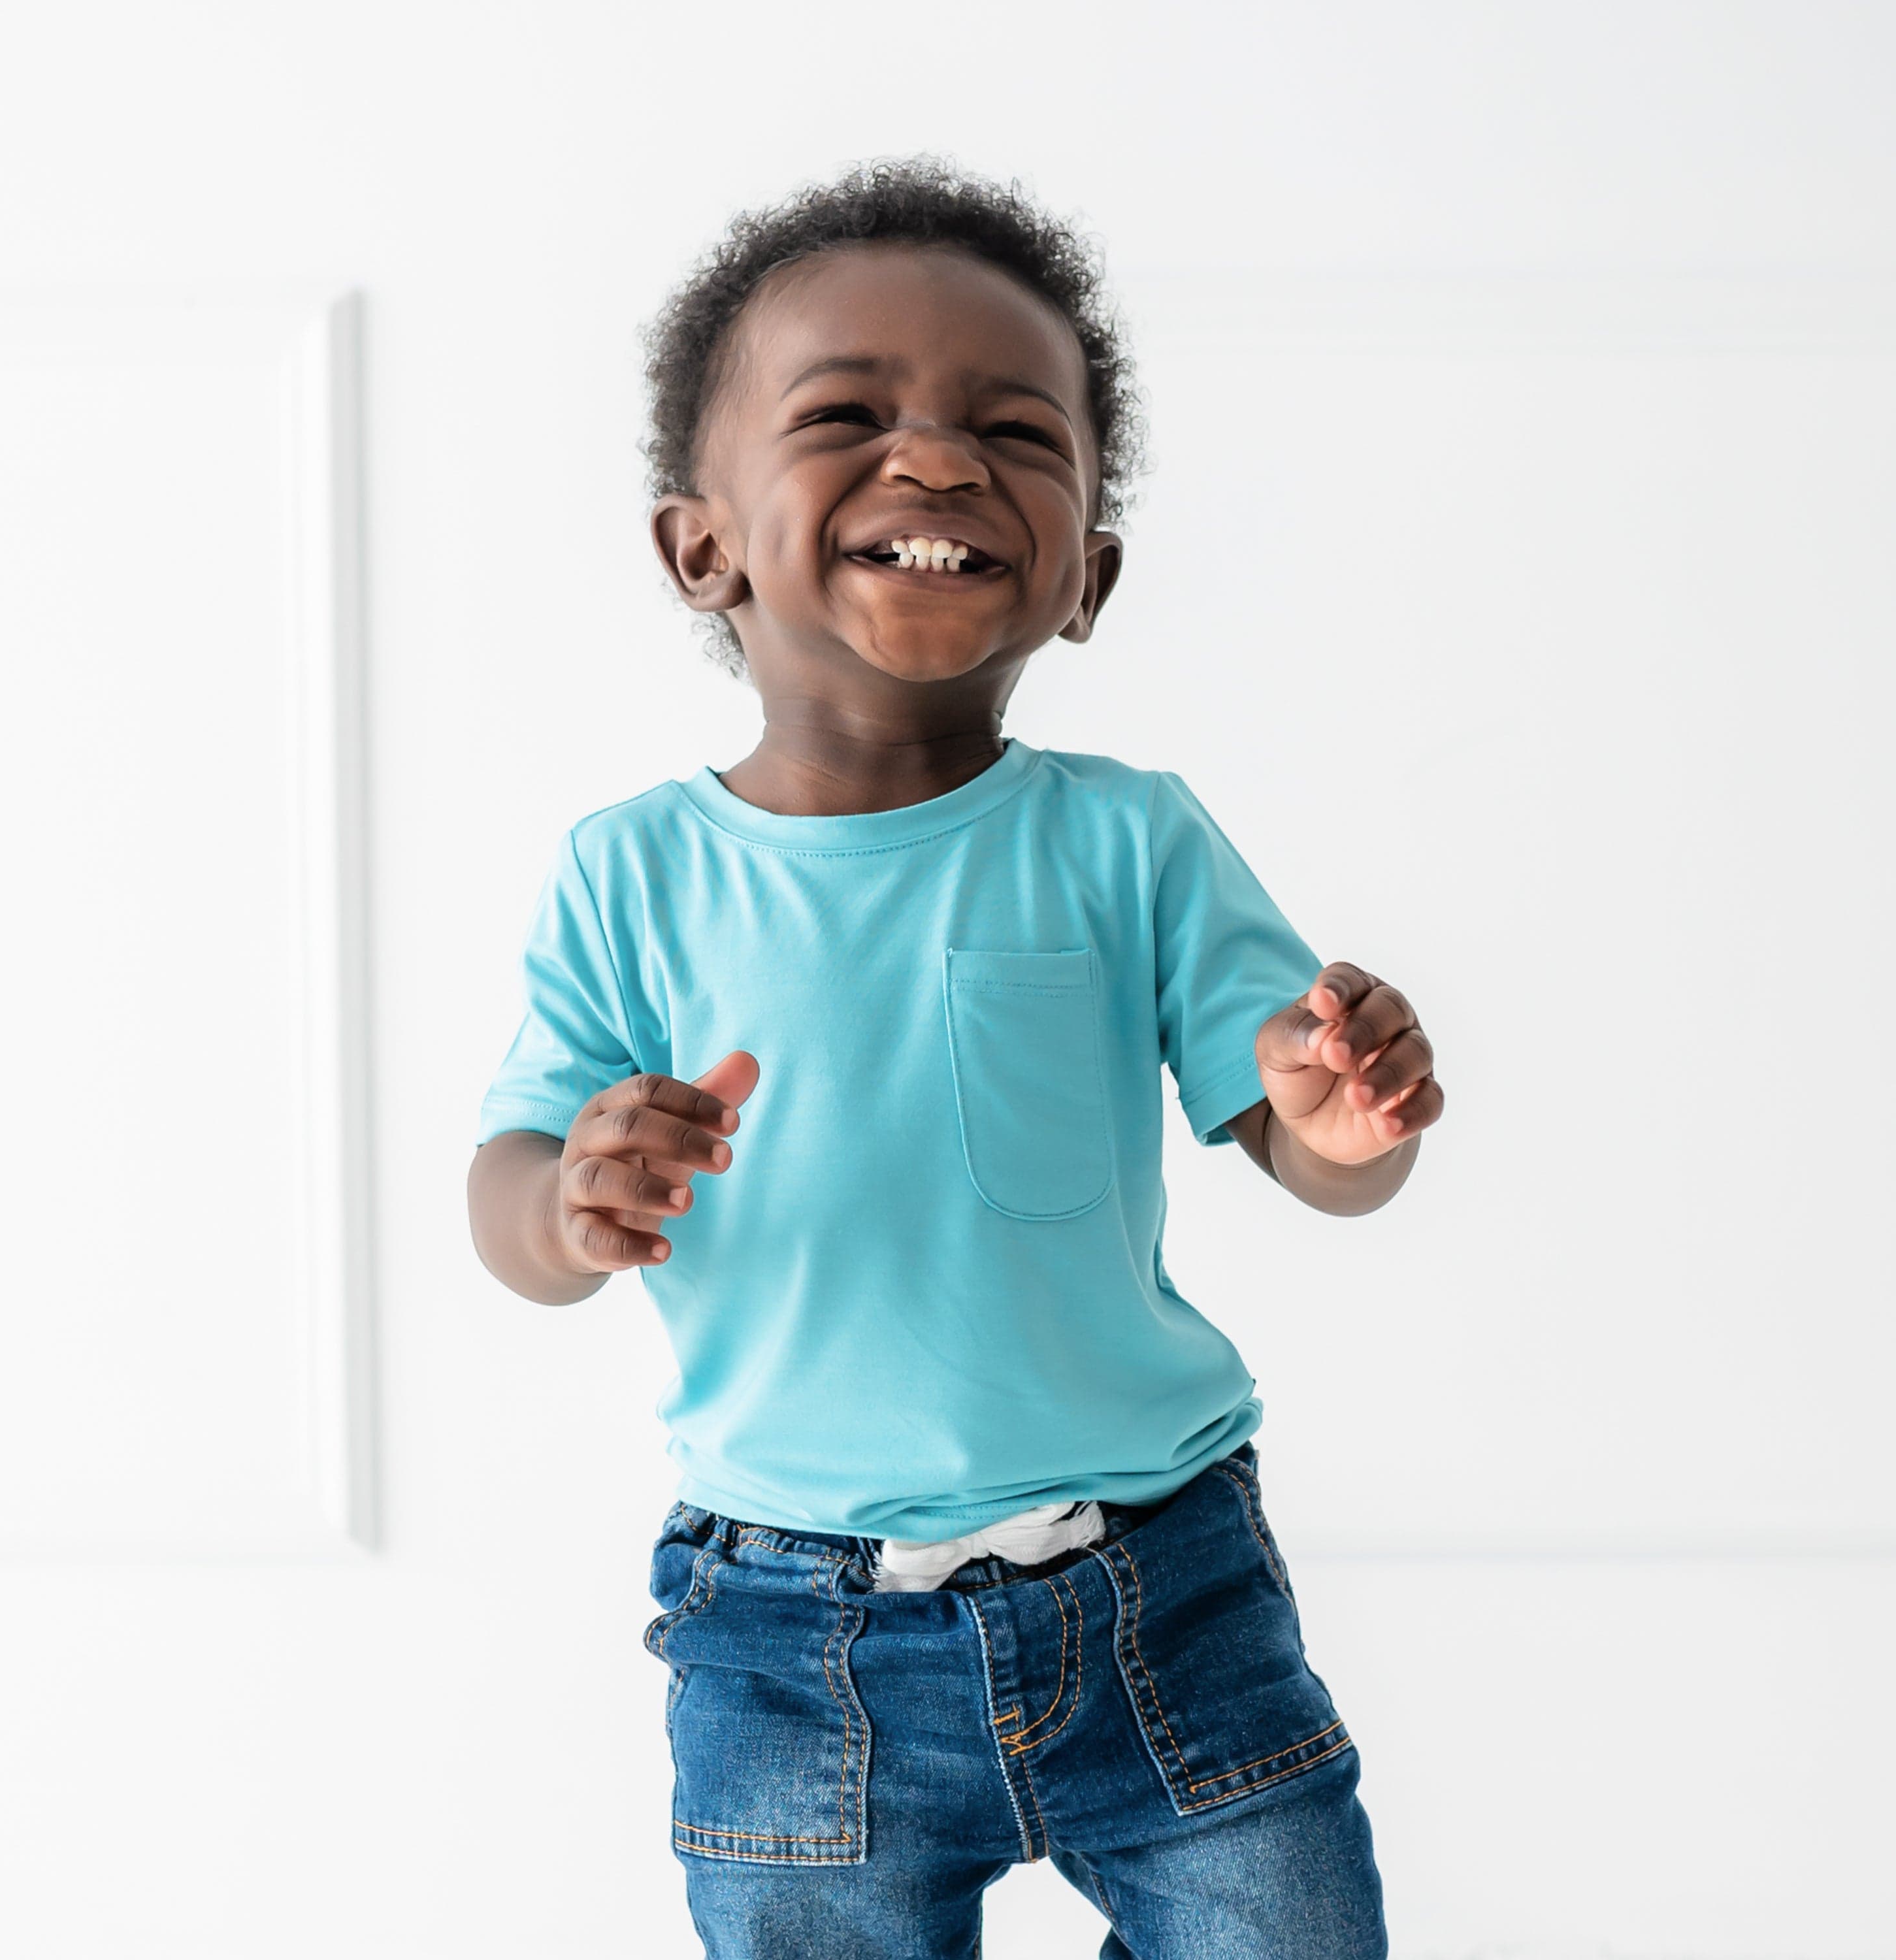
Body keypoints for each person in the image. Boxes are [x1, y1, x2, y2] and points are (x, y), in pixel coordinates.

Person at [468, 154, 1443, 1960]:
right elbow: (507, 1198)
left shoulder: (1130, 841)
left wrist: (1345, 1112)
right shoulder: (634, 871)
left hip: (1164, 1589)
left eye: (1016, 432)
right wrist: (568, 1194)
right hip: (793, 1638)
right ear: (703, 545)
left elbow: (1310, 1142)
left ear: (1089, 574)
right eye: (850, 414)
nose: (936, 460)